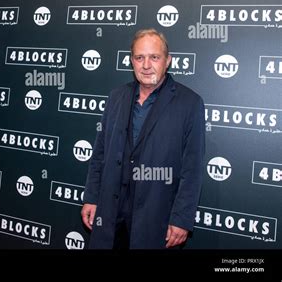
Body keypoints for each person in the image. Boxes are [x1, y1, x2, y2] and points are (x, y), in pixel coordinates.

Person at [81, 28, 205, 249]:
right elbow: (99, 153)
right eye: (140, 57)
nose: (146, 65)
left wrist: (181, 218)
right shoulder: (116, 97)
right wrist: (91, 196)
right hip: (110, 215)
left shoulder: (190, 103)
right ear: (132, 61)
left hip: (155, 219)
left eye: (154, 57)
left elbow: (192, 168)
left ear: (167, 61)